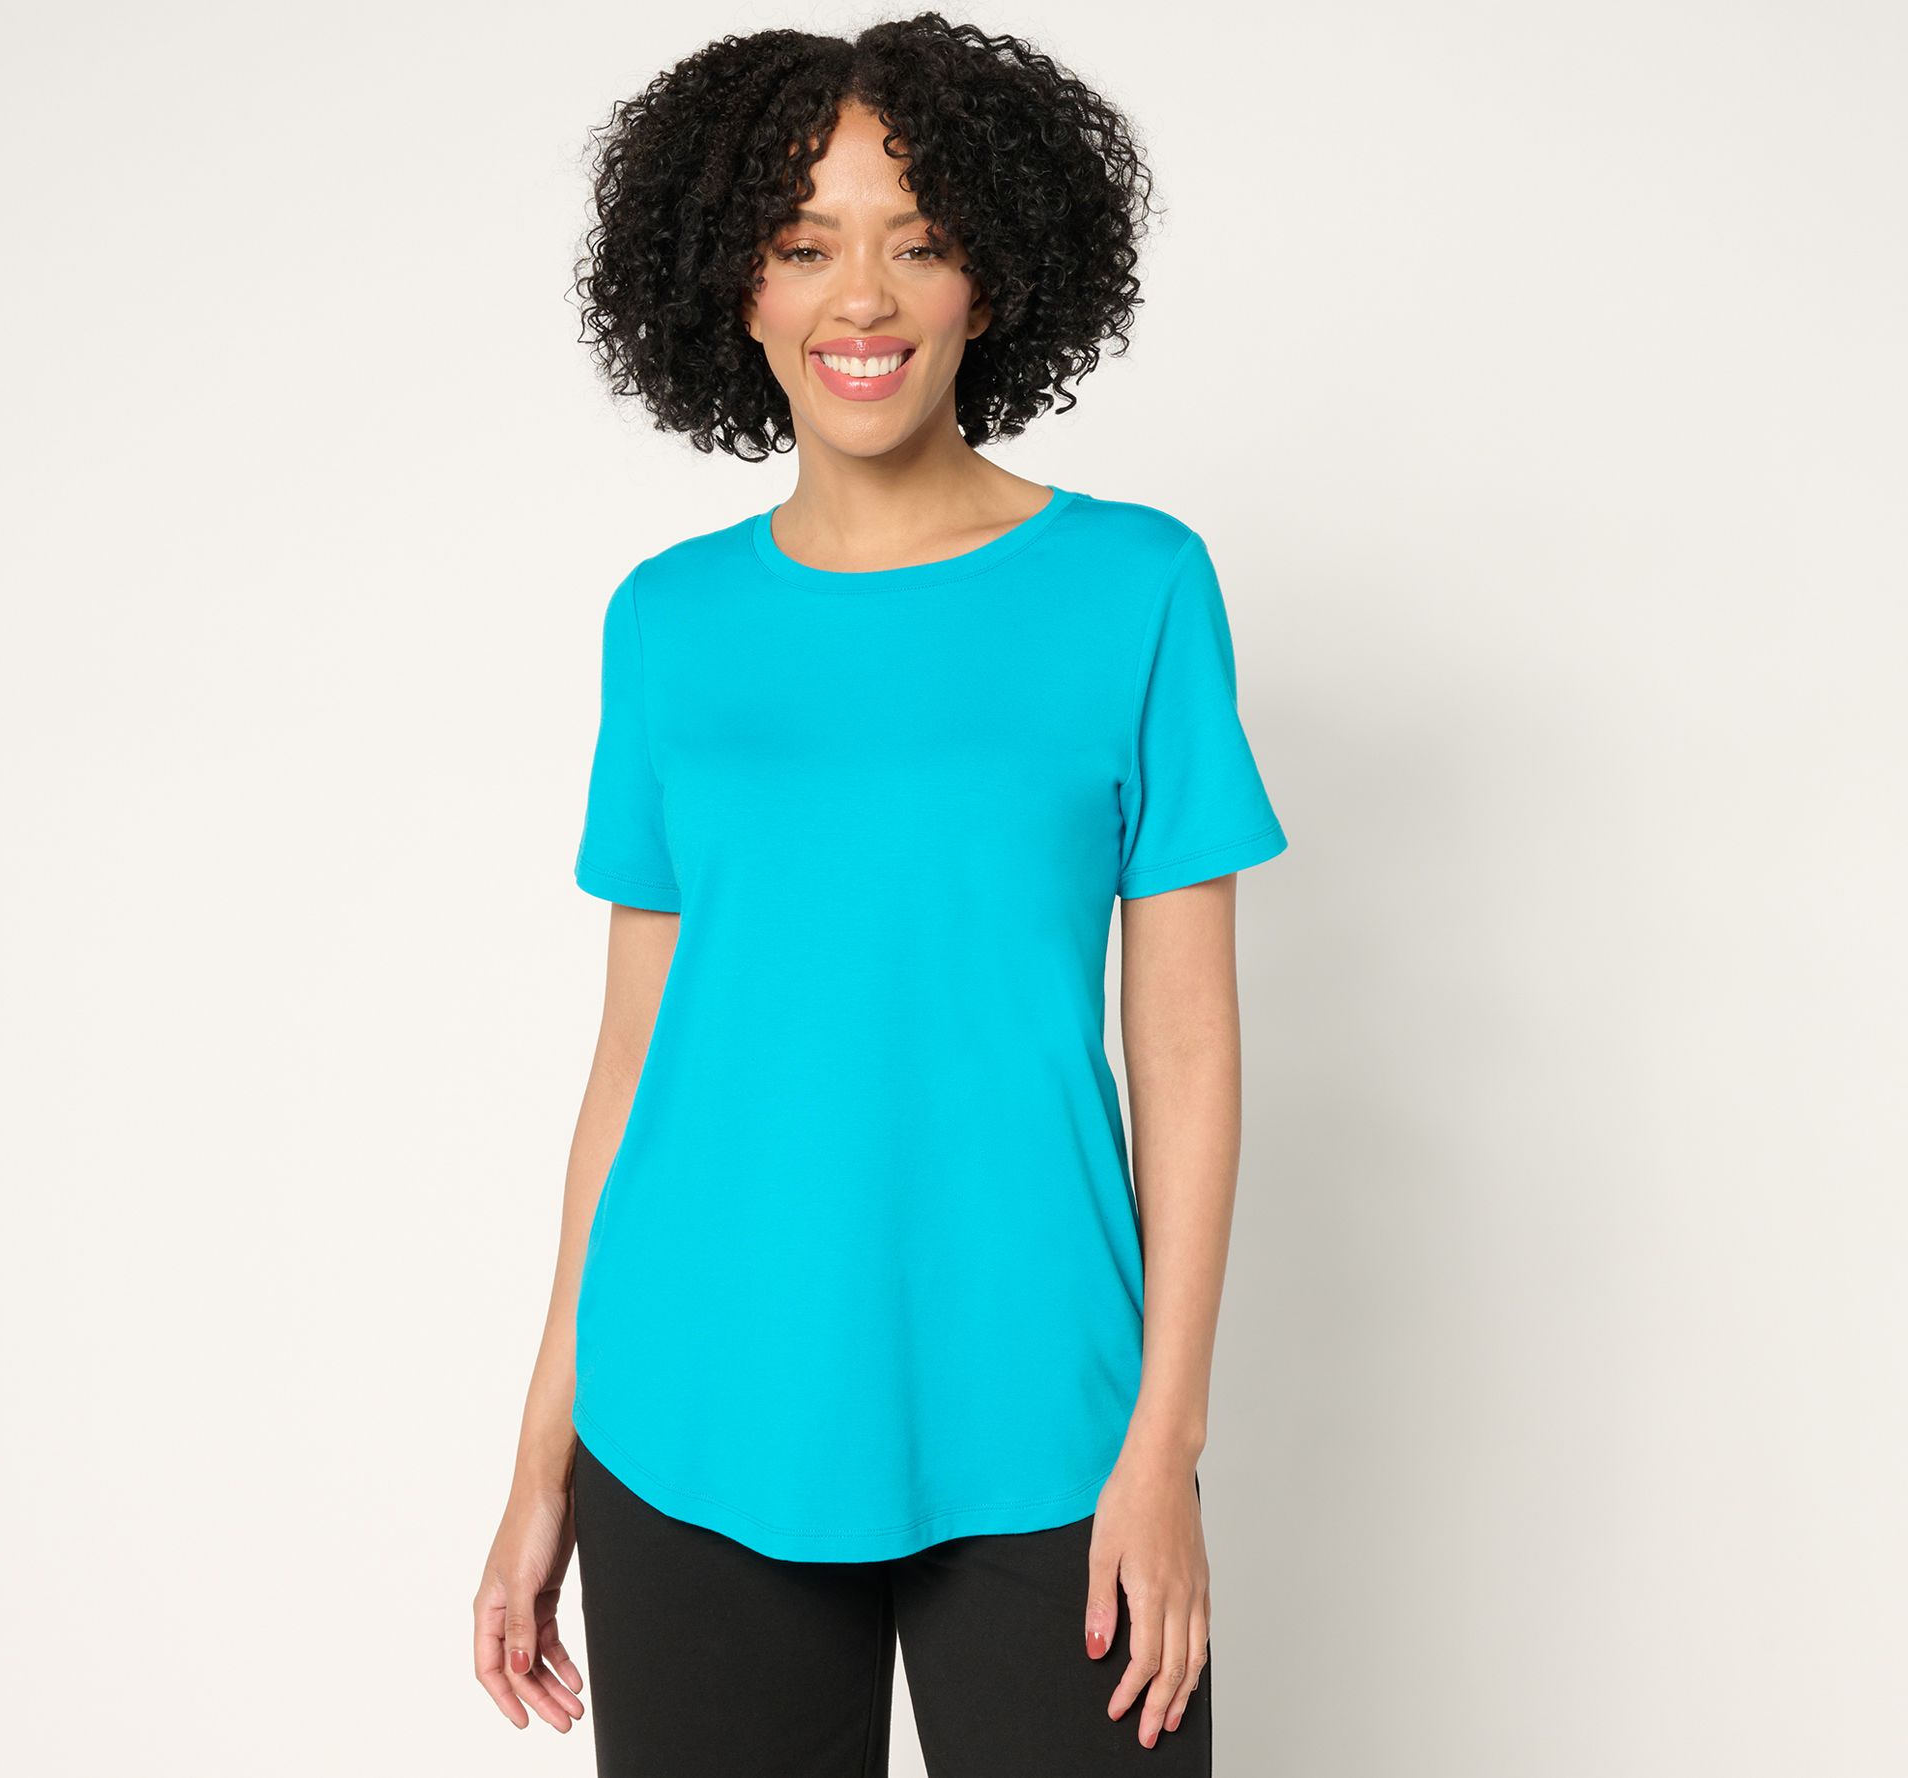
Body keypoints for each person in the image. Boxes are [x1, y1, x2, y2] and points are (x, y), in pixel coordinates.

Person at [474, 16, 1290, 1774]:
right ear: (737, 288)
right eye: (805, 243)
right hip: (688, 1414)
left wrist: (1165, 1445)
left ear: (994, 279)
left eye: (919, 240)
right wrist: (542, 1457)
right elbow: (630, 1066)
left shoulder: (1138, 588)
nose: (864, 295)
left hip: (1047, 1417)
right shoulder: (669, 620)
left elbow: (1188, 1049)